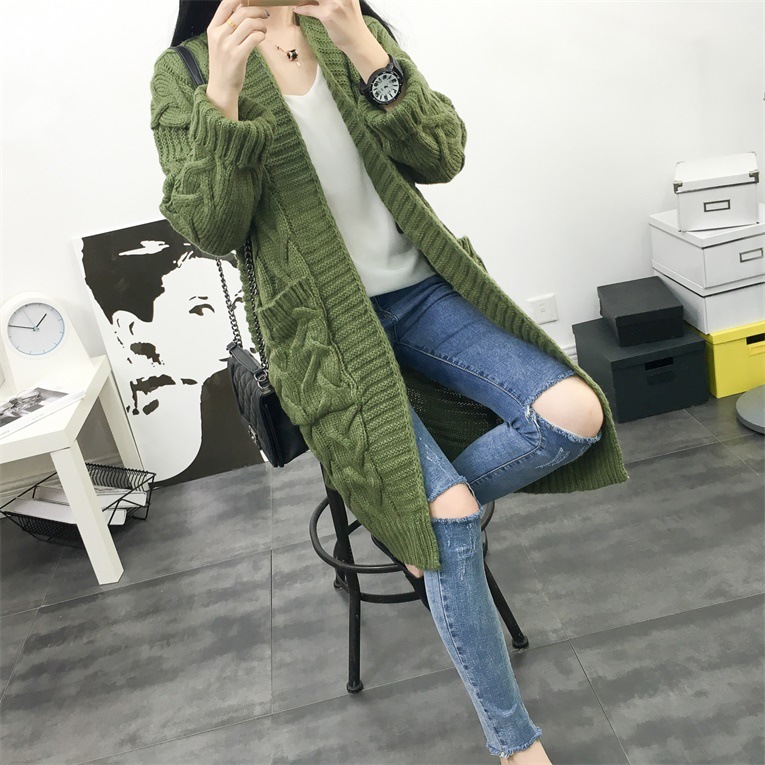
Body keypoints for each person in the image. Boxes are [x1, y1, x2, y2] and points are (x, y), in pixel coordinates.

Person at [150, 2, 629, 762]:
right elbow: (210, 230)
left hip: (424, 294)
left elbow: (441, 154)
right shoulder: (185, 70)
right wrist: (224, 94)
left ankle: (408, 515)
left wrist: (362, 45)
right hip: (321, 331)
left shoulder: (348, 25)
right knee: (450, 515)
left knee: (575, 412)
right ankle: (515, 744)